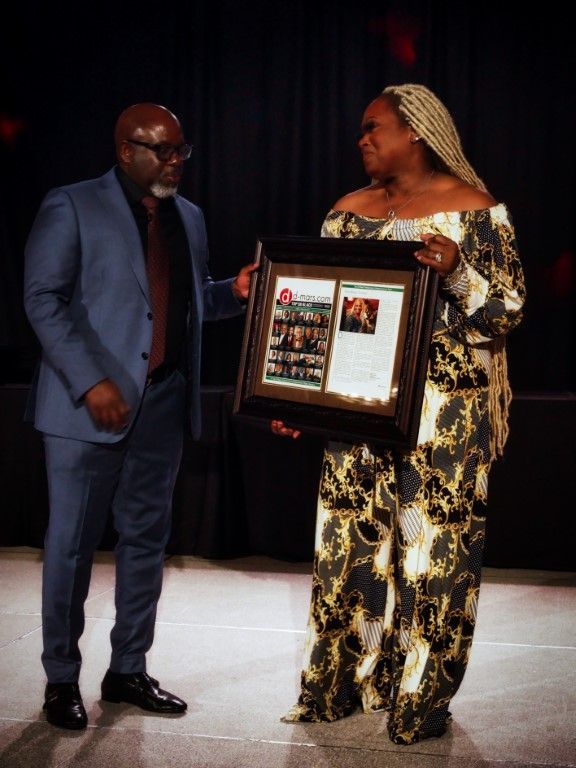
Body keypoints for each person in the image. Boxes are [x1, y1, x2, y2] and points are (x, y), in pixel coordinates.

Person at [272, 83, 525, 745]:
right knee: (349, 550)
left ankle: (421, 700)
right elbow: (319, 316)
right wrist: (297, 396)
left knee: (435, 555)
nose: (362, 139)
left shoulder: (473, 209)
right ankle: (341, 685)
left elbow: (507, 311)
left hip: (445, 415)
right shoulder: (346, 215)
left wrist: (461, 269)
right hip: (357, 411)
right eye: (360, 130)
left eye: (373, 127)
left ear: (415, 130)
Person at [23, 103, 257, 730]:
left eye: (183, 150)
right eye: (164, 150)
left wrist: (230, 294)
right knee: (70, 547)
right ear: (126, 150)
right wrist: (91, 378)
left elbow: (180, 307)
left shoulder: (190, 218)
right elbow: (42, 299)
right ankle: (60, 679)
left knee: (146, 543)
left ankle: (128, 668)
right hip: (85, 408)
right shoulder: (72, 205)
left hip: (162, 404)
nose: (176, 161)